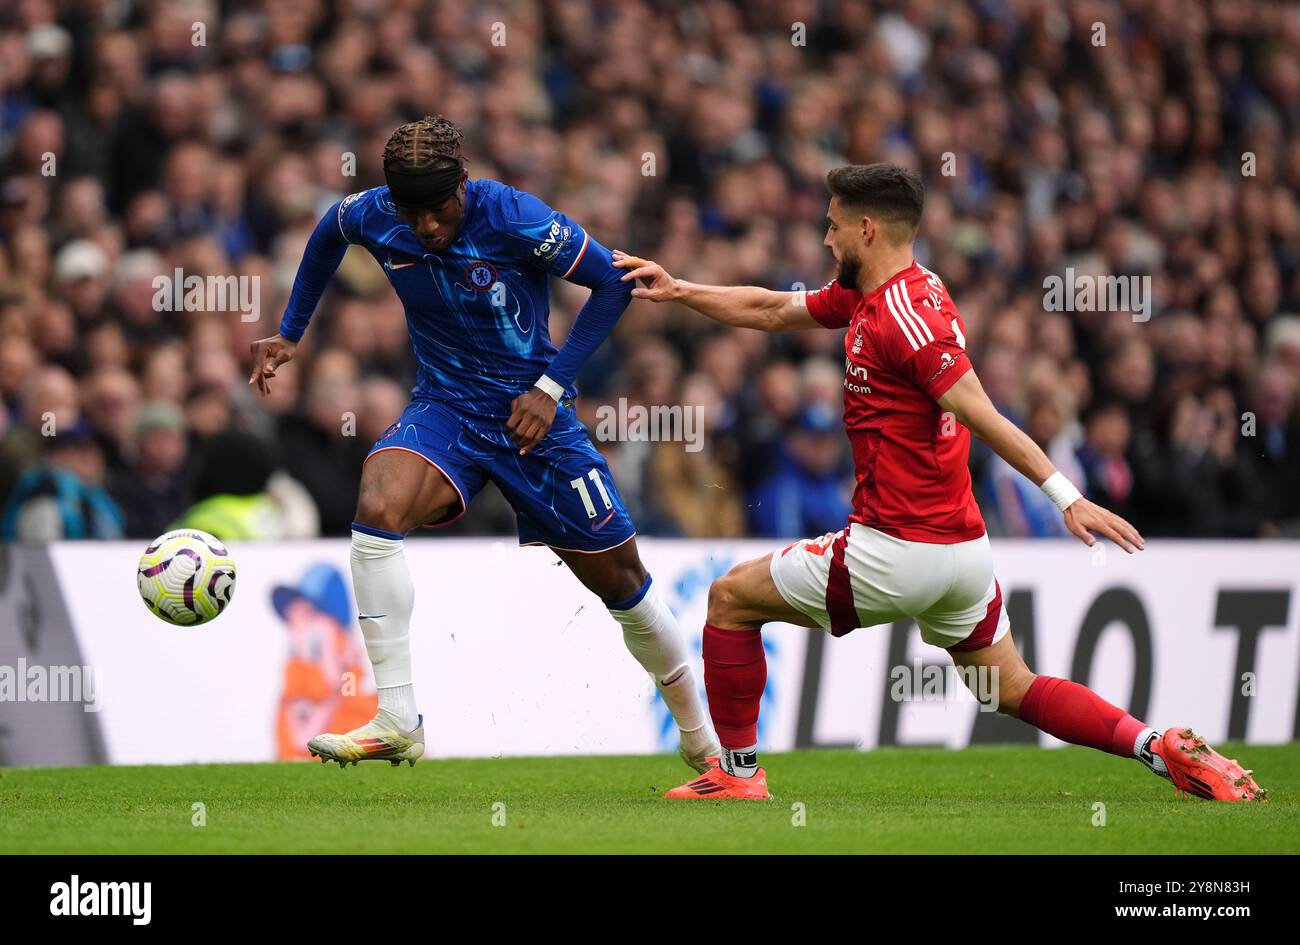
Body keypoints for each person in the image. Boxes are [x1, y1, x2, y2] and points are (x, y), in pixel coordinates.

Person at [613, 163, 1264, 803]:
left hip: (896, 548)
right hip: (961, 553)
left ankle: (738, 772)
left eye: (833, 226)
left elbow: (980, 411)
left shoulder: (902, 319)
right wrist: (681, 289)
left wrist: (1067, 496)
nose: (824, 238)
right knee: (1009, 685)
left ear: (867, 229)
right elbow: (775, 308)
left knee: (729, 598)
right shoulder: (887, 290)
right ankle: (1158, 745)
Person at [247, 116, 718, 770]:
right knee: (378, 503)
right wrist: (291, 329)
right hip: (447, 406)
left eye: (438, 212)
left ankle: (701, 739)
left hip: (535, 418)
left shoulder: (515, 217)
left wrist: (551, 389)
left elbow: (612, 283)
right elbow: (330, 228)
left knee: (623, 582)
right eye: (413, 216)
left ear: (462, 187)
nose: (427, 228)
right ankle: (396, 717)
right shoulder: (377, 213)